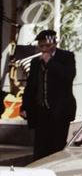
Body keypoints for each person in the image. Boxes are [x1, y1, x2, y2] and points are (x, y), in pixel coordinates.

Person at [21, 29, 76, 161]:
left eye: (47, 46)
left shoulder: (66, 57)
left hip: (59, 111)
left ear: (55, 43)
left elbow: (68, 77)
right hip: (40, 111)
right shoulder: (35, 62)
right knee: (40, 150)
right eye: (41, 46)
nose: (44, 49)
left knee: (56, 148)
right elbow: (31, 86)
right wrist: (24, 106)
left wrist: (50, 62)